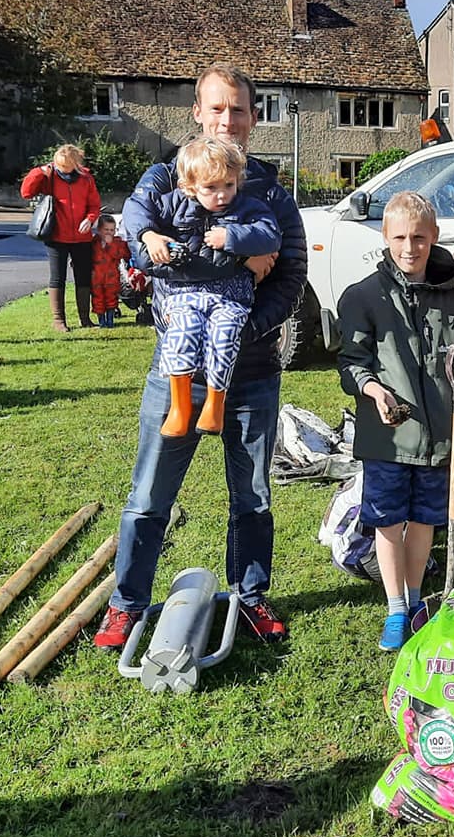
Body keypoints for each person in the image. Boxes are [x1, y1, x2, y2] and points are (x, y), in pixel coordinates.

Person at [95, 64, 306, 650]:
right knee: (148, 494)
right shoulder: (166, 178)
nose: (227, 120)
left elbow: (290, 276)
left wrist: (241, 332)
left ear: (254, 118)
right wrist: (221, 263)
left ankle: (250, 596)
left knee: (254, 497)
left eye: (238, 109)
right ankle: (127, 602)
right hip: (178, 367)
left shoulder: (268, 190)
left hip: (254, 370)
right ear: (197, 112)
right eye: (217, 108)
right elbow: (140, 242)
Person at [336, 191, 454, 652]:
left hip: (439, 438)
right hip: (389, 438)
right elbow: (352, 362)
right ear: (385, 237)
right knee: (388, 521)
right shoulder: (362, 297)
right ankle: (396, 606)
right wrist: (373, 390)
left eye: (419, 237)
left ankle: (416, 598)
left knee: (424, 520)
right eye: (400, 238)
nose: (410, 247)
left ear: (434, 238)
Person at [125, 138, 280, 437]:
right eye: (211, 188)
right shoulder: (172, 203)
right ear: (190, 186)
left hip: (230, 295)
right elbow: (135, 208)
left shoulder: (248, 208)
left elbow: (269, 234)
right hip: (184, 295)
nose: (222, 195)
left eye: (229, 185)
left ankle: (214, 403)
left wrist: (232, 237)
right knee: (182, 331)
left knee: (225, 332)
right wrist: (148, 235)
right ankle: (180, 406)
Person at [21, 143, 102, 333]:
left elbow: (94, 205)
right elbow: (26, 192)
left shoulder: (86, 179)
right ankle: (59, 320)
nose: (62, 170)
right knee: (57, 277)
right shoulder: (49, 176)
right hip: (56, 236)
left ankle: (84, 318)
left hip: (82, 237)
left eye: (66, 166)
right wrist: (39, 172)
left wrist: (90, 220)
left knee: (83, 277)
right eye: (59, 166)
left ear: (76, 164)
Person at [89, 215, 128, 328]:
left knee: (111, 298)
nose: (109, 233)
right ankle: (102, 321)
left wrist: (110, 244)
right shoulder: (94, 242)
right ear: (99, 230)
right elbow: (88, 256)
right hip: (97, 277)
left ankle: (110, 320)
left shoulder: (117, 242)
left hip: (111, 277)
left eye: (112, 230)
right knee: (98, 299)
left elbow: (121, 254)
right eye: (106, 230)